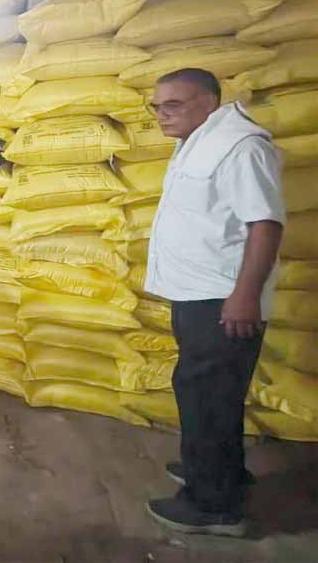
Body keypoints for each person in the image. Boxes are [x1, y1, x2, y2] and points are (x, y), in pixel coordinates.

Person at [144, 68, 284, 537]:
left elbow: (265, 224)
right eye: (157, 106)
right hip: (198, 293)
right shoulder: (198, 142)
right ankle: (218, 472)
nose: (161, 115)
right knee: (210, 394)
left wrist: (245, 296)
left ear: (208, 102)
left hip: (222, 298)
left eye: (173, 105)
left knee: (208, 396)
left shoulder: (240, 147)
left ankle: (214, 507)